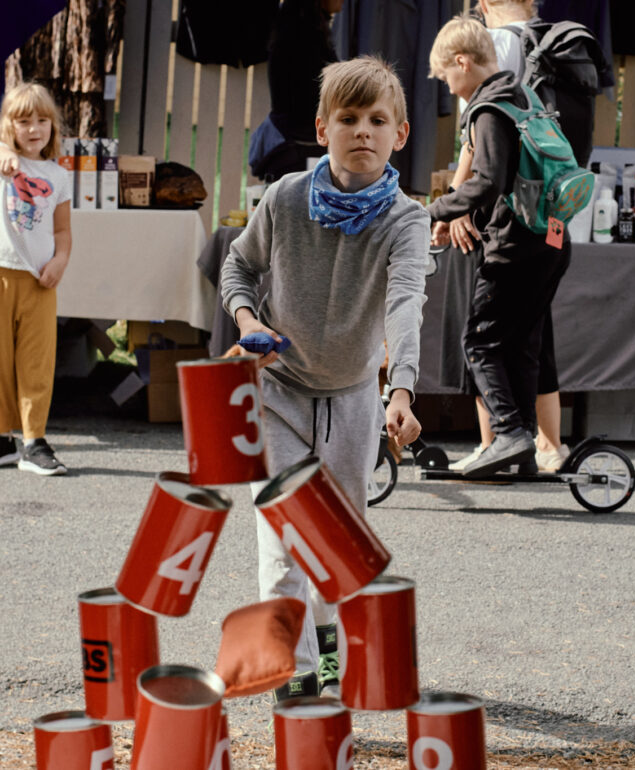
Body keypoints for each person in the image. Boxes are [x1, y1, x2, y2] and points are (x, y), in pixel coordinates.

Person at [221, 56, 429, 699]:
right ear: (322, 127)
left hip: (354, 402)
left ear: (400, 134)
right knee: (282, 536)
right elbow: (236, 265)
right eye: (348, 118)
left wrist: (402, 388)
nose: (361, 130)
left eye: (376, 119)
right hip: (278, 393)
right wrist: (247, 318)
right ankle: (294, 669)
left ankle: (327, 636)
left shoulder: (406, 219)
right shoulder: (284, 198)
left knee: (335, 547)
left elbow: (404, 301)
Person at [427, 15, 571, 479]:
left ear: (462, 62)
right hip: (551, 239)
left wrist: (434, 211)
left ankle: (507, 432)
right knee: (522, 344)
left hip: (514, 246)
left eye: (446, 76)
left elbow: (488, 181)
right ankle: (523, 447)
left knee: (481, 340)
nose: (449, 89)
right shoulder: (524, 96)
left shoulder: (489, 110)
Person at [0, 82, 72, 476]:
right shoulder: (3, 161)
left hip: (39, 281)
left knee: (36, 360)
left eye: (42, 120)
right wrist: (3, 150)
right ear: (9, 126)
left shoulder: (57, 176)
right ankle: (1, 437)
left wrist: (61, 260)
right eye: (24, 121)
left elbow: (62, 231)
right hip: (1, 272)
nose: (34, 129)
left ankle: (33, 440)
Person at [249, 0, 344, 181]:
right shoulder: (305, 38)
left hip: (292, 139)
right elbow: (310, 98)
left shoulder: (296, 30)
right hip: (299, 145)